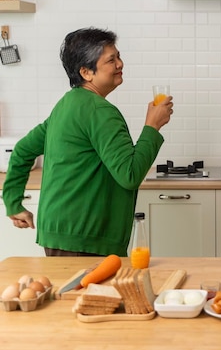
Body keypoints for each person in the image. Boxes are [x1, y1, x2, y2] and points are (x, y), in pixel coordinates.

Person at [3, 27, 174, 257]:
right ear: (86, 72)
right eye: (111, 60)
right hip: (86, 239)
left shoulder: (66, 104)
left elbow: (22, 150)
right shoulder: (100, 111)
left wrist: (13, 203)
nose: (120, 64)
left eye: (118, 56)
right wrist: (152, 127)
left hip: (58, 234)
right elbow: (129, 174)